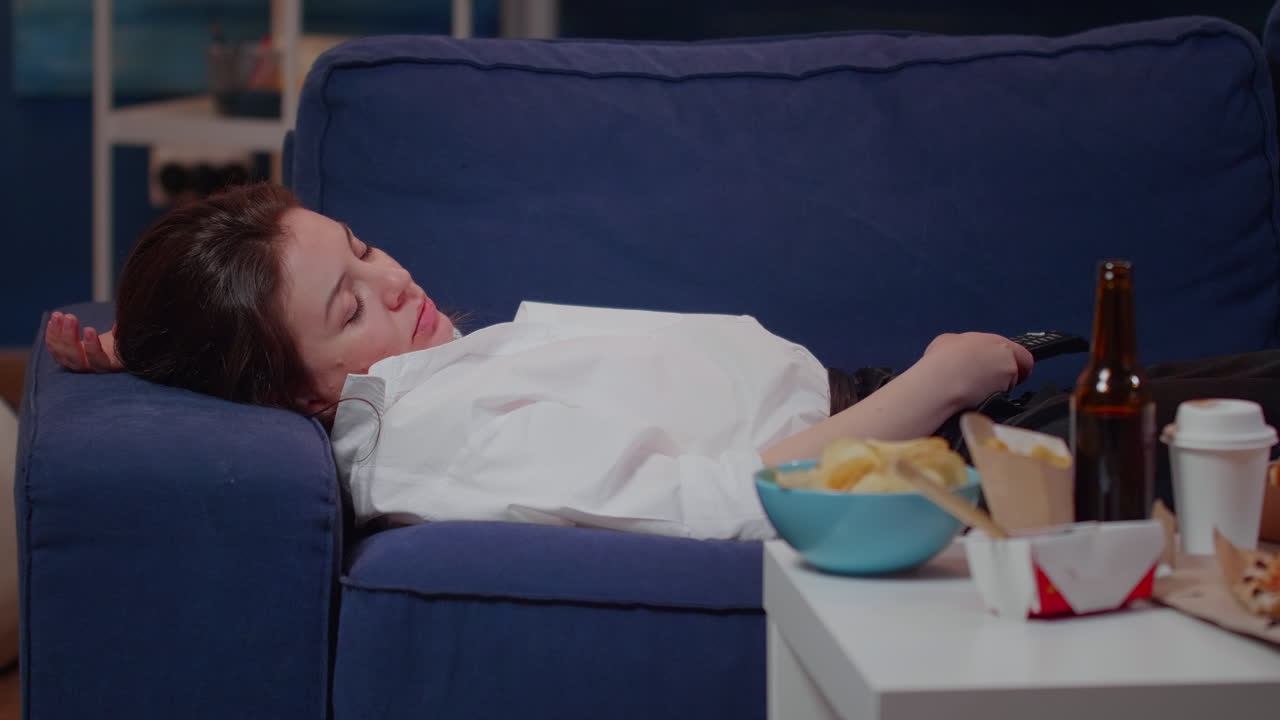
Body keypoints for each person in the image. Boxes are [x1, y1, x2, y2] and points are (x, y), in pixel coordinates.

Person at [45, 183, 1042, 539]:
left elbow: (255, 340)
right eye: (349, 306)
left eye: (360, 246)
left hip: (890, 411)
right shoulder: (427, 441)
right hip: (904, 459)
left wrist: (148, 347)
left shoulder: (408, 375)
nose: (392, 280)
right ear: (295, 391)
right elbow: (733, 501)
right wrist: (939, 381)